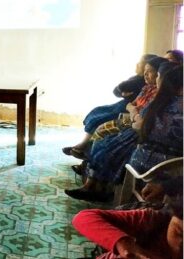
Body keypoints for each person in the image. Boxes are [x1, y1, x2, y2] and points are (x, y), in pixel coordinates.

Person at [67, 62, 181, 202]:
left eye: (156, 74)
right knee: (104, 140)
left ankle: (99, 188)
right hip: (172, 164)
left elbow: (140, 125)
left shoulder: (161, 101)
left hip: (145, 158)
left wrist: (134, 114)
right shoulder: (155, 94)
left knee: (109, 147)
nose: (148, 75)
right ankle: (93, 184)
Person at [63, 54, 158, 159]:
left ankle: (84, 147)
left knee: (101, 120)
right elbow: (116, 90)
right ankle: (85, 149)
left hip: (127, 111)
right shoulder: (144, 85)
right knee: (97, 111)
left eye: (140, 63)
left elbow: (123, 87)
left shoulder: (142, 82)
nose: (137, 65)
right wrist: (122, 93)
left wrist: (126, 98)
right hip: (125, 105)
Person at [72, 180, 182, 259]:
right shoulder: (155, 220)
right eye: (179, 233)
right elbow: (84, 217)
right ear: (172, 216)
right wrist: (124, 244)